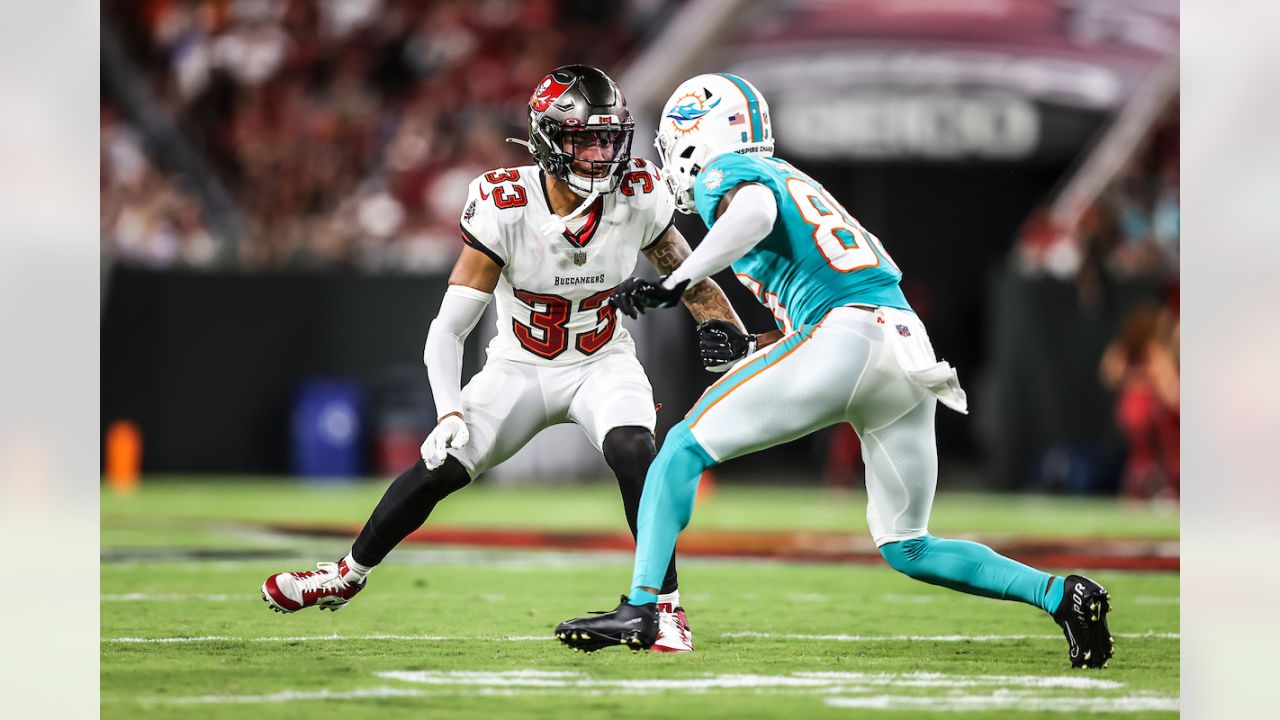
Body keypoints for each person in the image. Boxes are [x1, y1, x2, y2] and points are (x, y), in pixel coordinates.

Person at [554, 73, 1114, 668]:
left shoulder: (731, 175)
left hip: (847, 337)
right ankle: (1063, 596)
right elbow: (821, 286)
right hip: (900, 347)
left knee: (678, 451)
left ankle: (645, 607)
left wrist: (678, 281)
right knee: (908, 546)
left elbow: (757, 213)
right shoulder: (795, 179)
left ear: (696, 136)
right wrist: (756, 344)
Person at [261, 65, 745, 654]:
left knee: (633, 448)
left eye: (610, 137)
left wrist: (726, 329)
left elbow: (687, 271)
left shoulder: (640, 192)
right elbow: (448, 328)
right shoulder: (506, 204)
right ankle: (346, 574)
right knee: (441, 467)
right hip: (520, 367)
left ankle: (665, 610)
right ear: (546, 140)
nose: (601, 153)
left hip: (602, 360)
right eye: (584, 139)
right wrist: (446, 412)